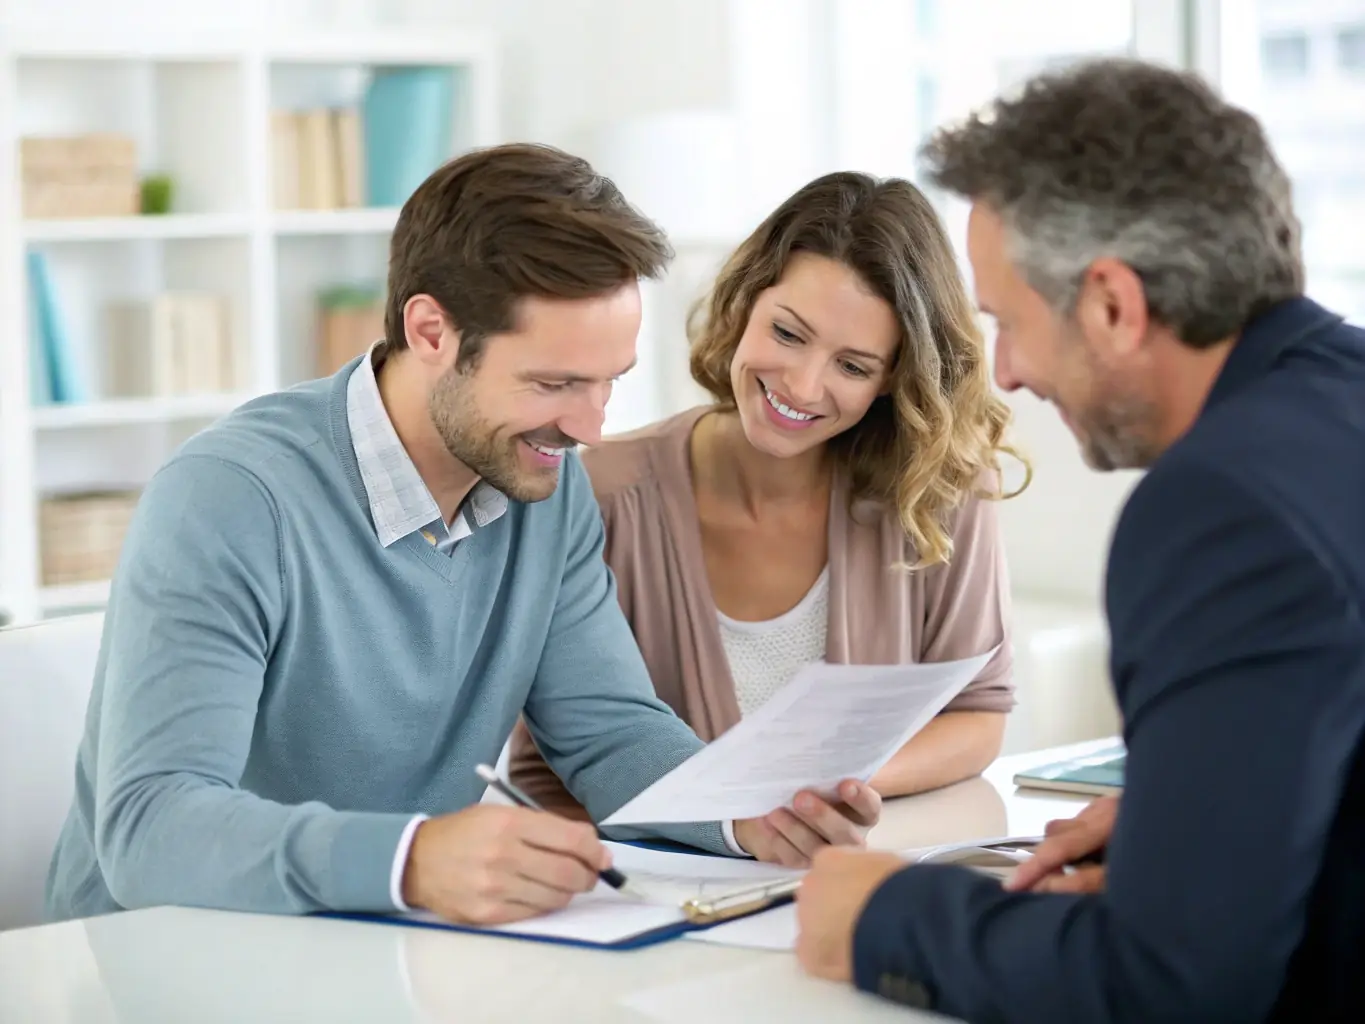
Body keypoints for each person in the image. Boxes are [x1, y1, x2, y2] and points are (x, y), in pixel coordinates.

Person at [43, 143, 880, 928]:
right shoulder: (229, 499)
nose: (589, 426)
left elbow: (611, 734)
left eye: (607, 383)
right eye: (554, 382)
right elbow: (152, 830)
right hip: (155, 963)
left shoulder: (543, 489)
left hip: (381, 951)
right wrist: (407, 861)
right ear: (431, 332)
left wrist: (744, 812)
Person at [793, 58, 1365, 1022]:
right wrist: (1194, 841)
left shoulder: (1221, 508)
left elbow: (1167, 985)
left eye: (1009, 323)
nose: (1008, 374)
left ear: (1110, 303)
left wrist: (884, 914)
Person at [507, 171, 1028, 832]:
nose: (803, 386)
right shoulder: (598, 493)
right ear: (744, 303)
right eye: (786, 334)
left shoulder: (938, 491)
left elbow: (977, 715)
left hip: (857, 869)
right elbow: (544, 770)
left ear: (892, 380)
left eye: (853, 366)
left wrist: (819, 793)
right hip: (662, 892)